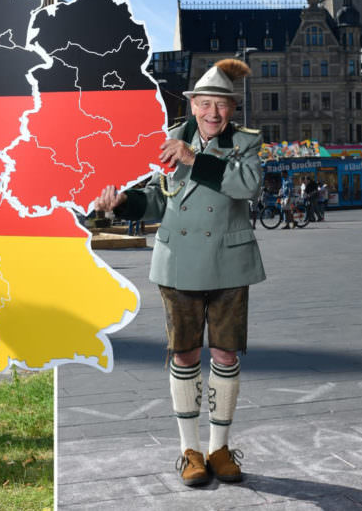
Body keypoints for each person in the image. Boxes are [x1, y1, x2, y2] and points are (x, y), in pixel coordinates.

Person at [95, 58, 265, 487]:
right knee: (185, 355)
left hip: (229, 262)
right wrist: (124, 204)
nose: (213, 113)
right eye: (205, 103)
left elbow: (248, 186)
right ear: (192, 105)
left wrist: (194, 159)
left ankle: (219, 449)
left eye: (221, 105)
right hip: (178, 262)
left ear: (232, 109)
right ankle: (190, 451)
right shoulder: (169, 140)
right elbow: (157, 199)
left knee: (225, 355)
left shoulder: (245, 142)